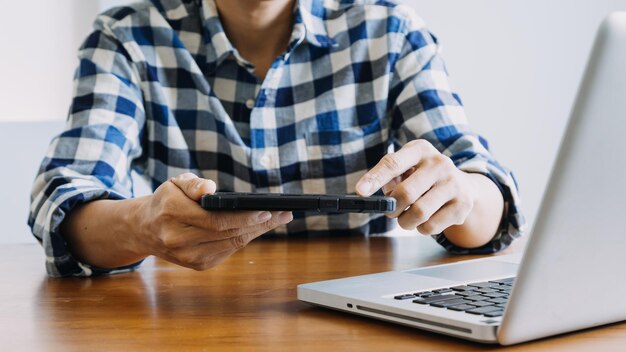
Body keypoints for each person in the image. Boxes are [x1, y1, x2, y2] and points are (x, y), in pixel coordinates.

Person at [29, 0, 525, 277]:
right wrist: (142, 225)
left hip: (358, 321)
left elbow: (486, 192)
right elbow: (64, 199)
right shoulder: (128, 36)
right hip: (190, 321)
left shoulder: (388, 32)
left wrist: (464, 195)